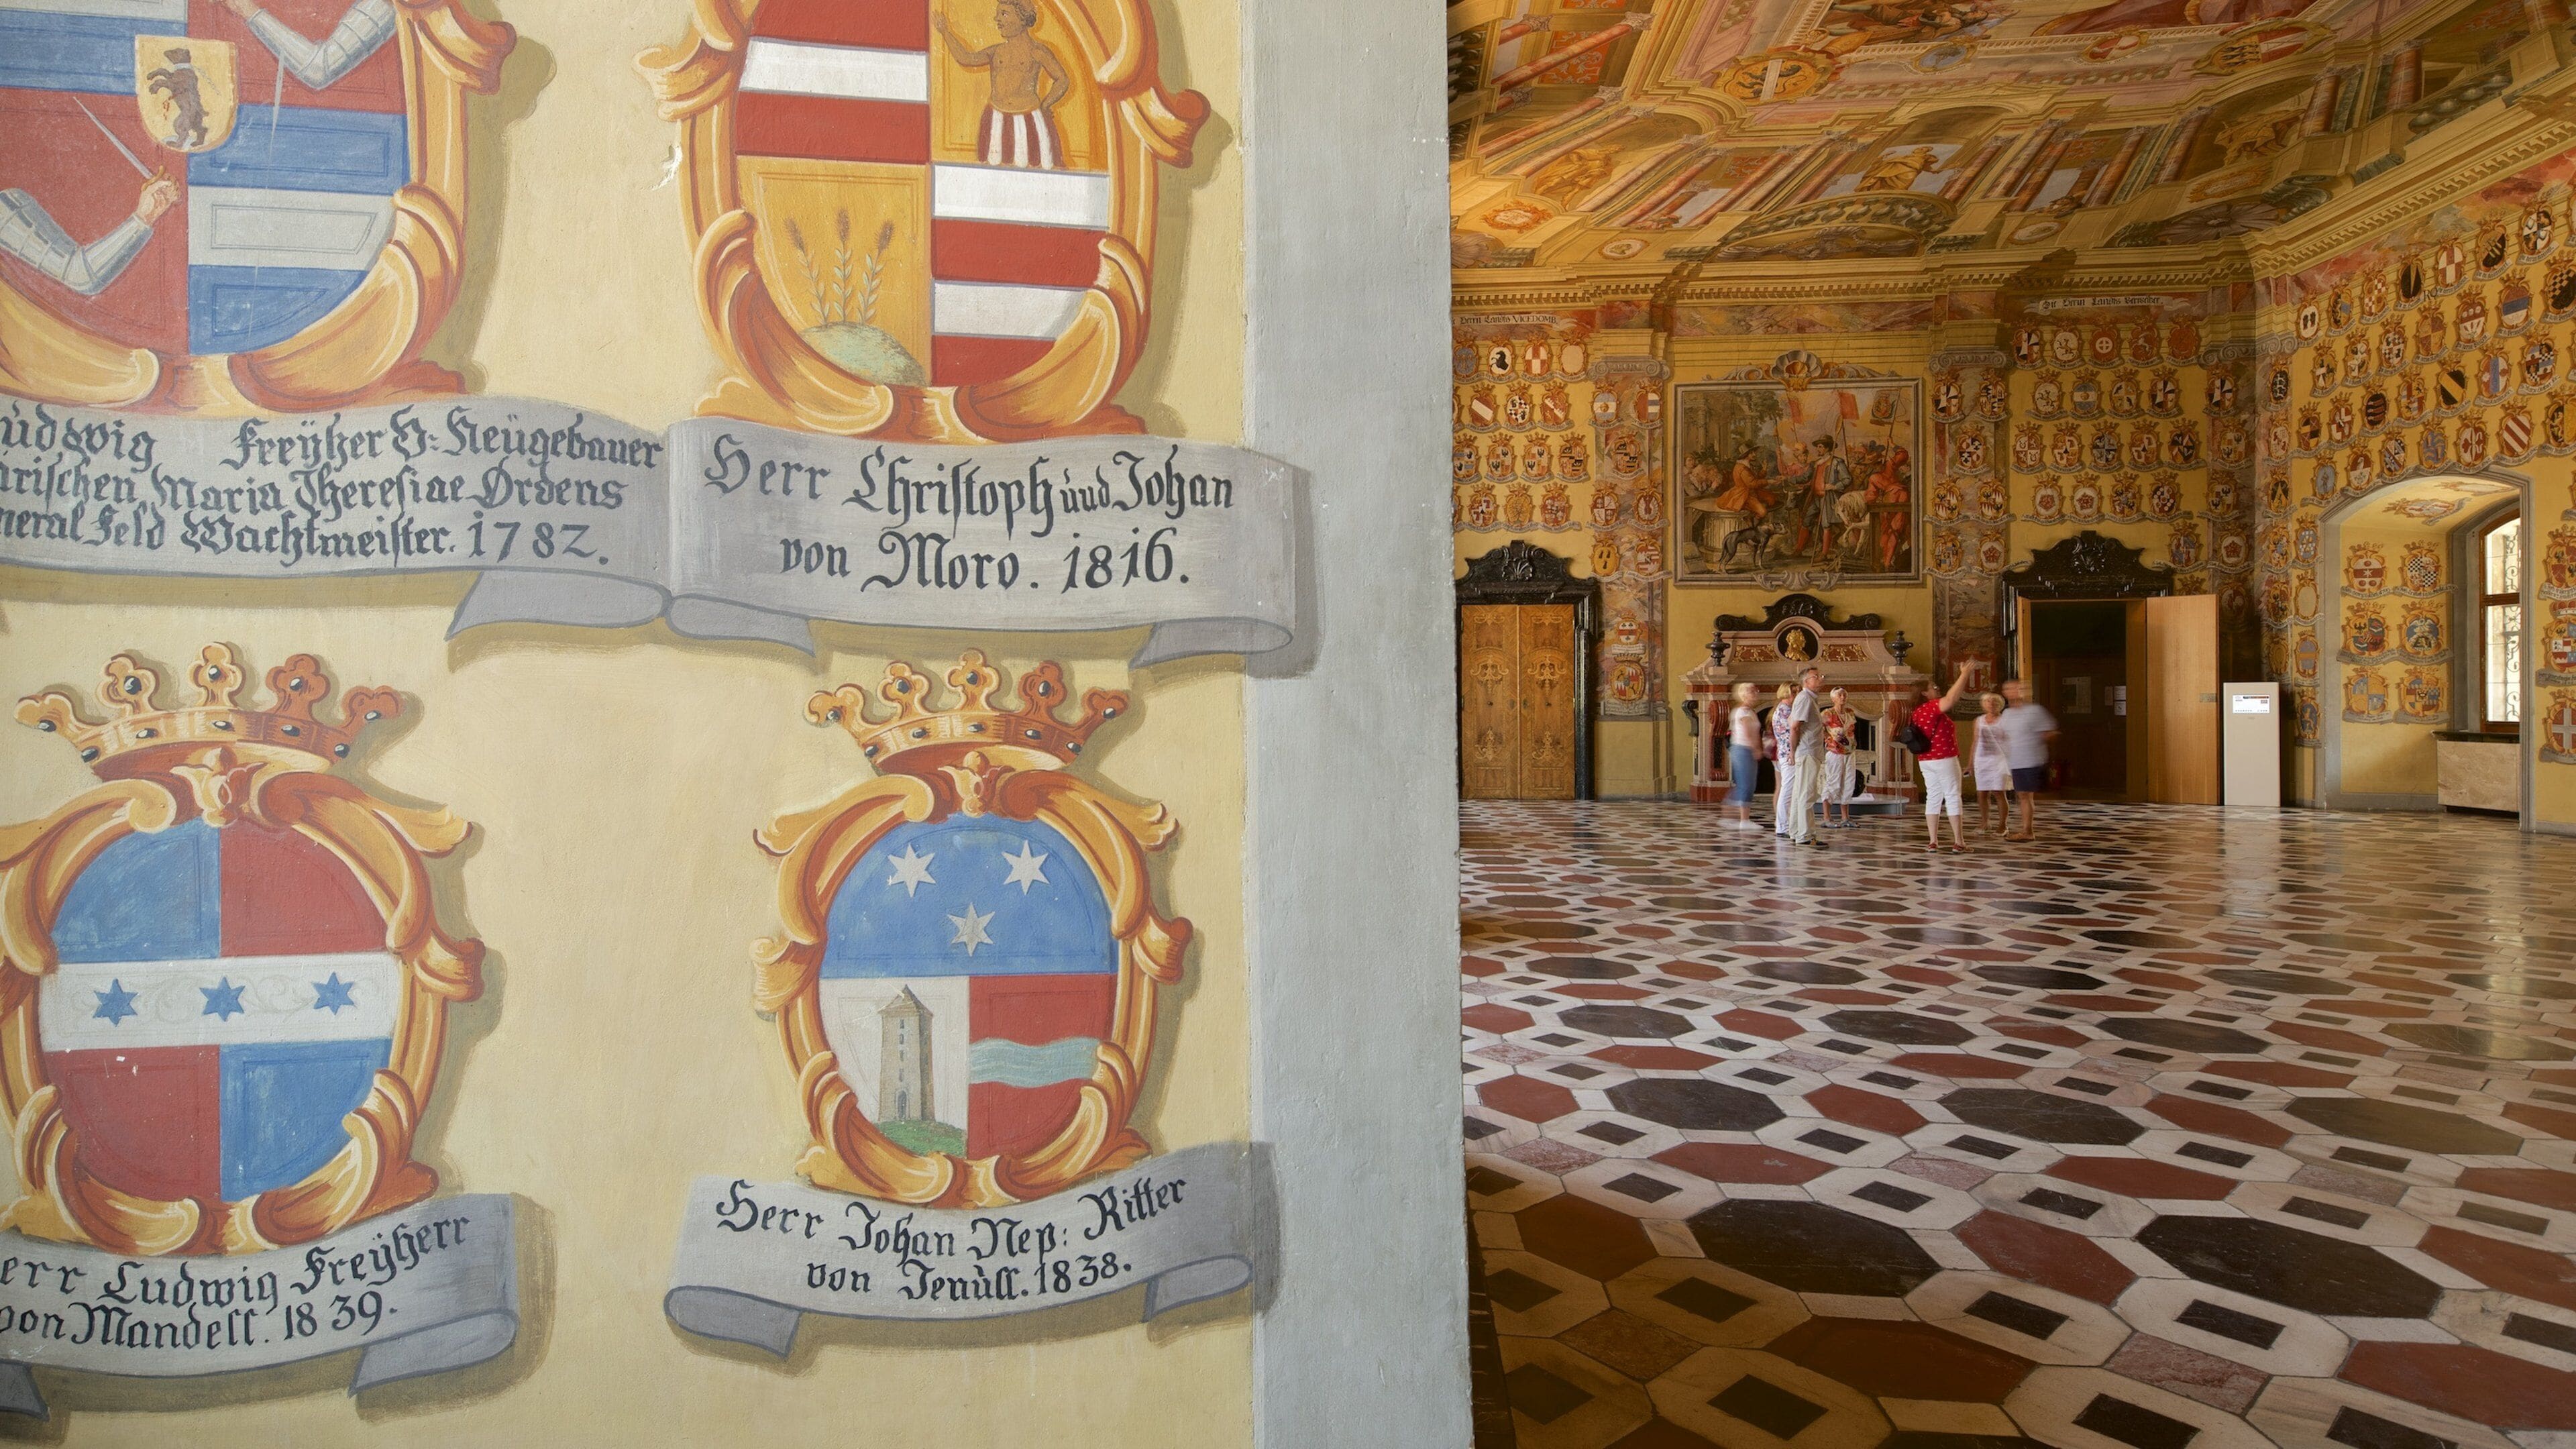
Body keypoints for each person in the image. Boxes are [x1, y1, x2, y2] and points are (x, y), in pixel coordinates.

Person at [935, 0, 1074, 170]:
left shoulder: (1037, 51)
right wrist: (945, 32)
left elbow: (1063, 79)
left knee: (1035, 169)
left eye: (1004, 14)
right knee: (993, 171)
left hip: (1029, 119)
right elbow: (967, 58)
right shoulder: (997, 51)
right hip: (995, 117)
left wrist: (1046, 105)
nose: (997, 19)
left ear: (1022, 19)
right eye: (998, 14)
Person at [0, 177, 179, 297]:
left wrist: (145, 217)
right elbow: (80, 275)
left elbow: (77, 271)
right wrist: (142, 219)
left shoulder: (8, 205)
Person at [1913, 666, 1972, 854]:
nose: (1937, 689)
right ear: (1924, 693)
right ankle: (1959, 842)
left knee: (1933, 797)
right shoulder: (1931, 707)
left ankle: (1933, 841)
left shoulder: (1918, 711)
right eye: (1933, 687)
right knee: (1953, 796)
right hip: (1943, 758)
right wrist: (1964, 674)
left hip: (1926, 760)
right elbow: (1951, 699)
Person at [1997, 679, 2059, 842]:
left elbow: (2051, 732)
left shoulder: (2035, 711)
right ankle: (2027, 830)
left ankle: (2028, 830)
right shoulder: (2007, 714)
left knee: (2027, 794)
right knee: (2023, 795)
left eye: (2017, 689)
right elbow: (2003, 735)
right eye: (2009, 689)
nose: (2013, 692)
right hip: (2015, 760)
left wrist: (2038, 742)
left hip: (2033, 760)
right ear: (2005, 693)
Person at [1778, 667, 1826, 848]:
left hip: (1808, 751)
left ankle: (1796, 831)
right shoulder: (1805, 698)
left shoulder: (1808, 698)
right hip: (1807, 752)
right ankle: (1805, 835)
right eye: (1816, 676)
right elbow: (1795, 726)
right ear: (1806, 681)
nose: (1821, 679)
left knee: (1800, 793)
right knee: (1807, 794)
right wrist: (1792, 751)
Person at [1971, 690, 2011, 835]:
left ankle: (2003, 825)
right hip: (1982, 760)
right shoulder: (1979, 720)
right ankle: (1985, 822)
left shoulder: (2005, 721)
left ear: (2000, 705)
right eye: (1988, 702)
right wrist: (1970, 763)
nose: (1991, 704)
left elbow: (2010, 741)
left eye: (1994, 702)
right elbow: (1975, 741)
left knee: (1999, 792)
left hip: (1999, 760)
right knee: (1982, 793)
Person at [1725, 681, 1763, 828]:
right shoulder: (1743, 712)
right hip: (1743, 749)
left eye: (1755, 691)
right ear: (1744, 695)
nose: (1755, 694)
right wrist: (1756, 749)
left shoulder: (1750, 711)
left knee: (1746, 784)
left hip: (1746, 749)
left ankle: (1730, 816)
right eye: (1752, 692)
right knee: (1746, 785)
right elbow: (1748, 733)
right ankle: (1744, 820)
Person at [1819, 686, 1858, 829]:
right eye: (1840, 695)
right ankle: (1827, 817)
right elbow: (1819, 728)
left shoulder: (1850, 713)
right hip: (1835, 752)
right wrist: (1828, 738)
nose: (1843, 697)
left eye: (1844, 695)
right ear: (1833, 698)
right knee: (1833, 782)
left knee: (1849, 782)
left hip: (1850, 752)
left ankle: (1845, 817)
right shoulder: (1827, 713)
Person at [1768, 682, 1796, 835]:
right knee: (1787, 790)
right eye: (1794, 693)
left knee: (1787, 790)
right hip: (1788, 755)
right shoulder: (1785, 711)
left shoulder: (1783, 709)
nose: (1797, 696)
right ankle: (1783, 826)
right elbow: (1793, 733)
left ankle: (1786, 824)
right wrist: (1793, 753)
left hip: (1785, 754)